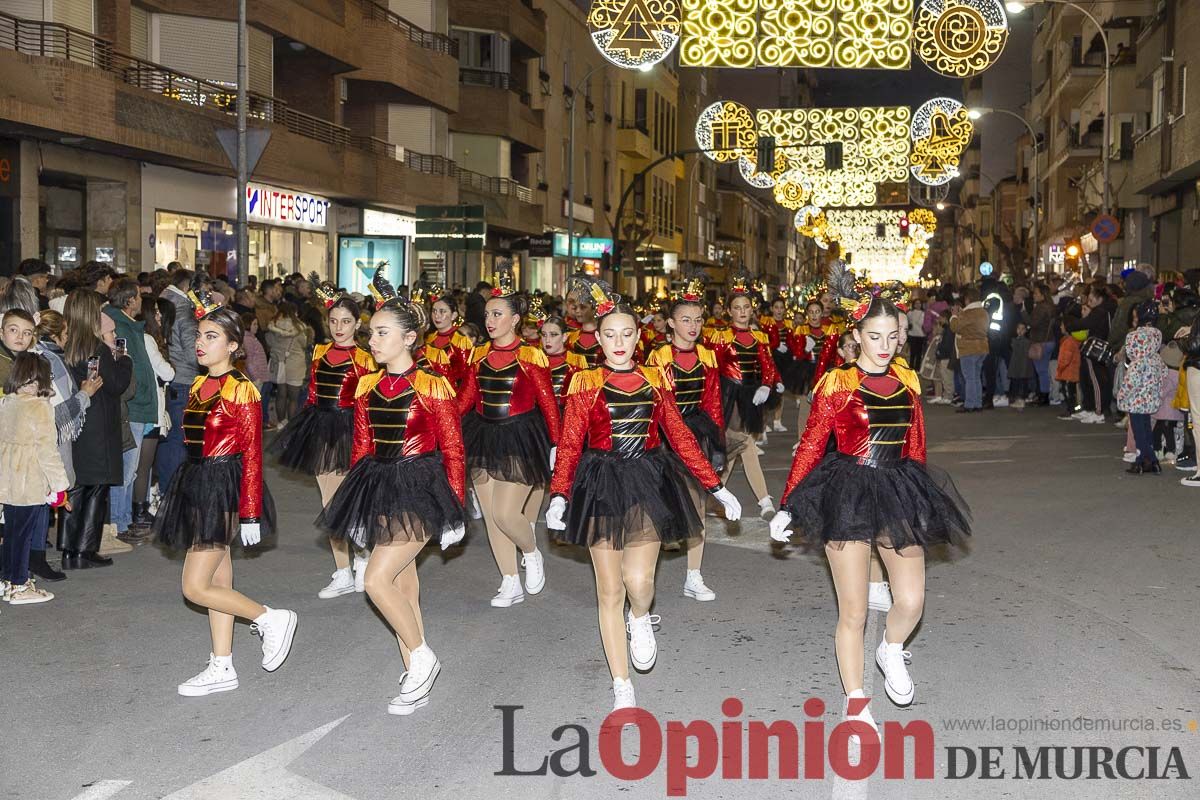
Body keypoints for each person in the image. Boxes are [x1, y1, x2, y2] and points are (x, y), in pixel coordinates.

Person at [770, 267, 971, 733]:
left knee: (912, 599)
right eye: (874, 336)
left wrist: (919, 497)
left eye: (892, 336)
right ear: (856, 336)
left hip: (898, 487)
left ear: (902, 337)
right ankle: (856, 703)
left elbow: (916, 445)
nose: (884, 345)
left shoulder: (907, 381)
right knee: (854, 611)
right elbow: (811, 445)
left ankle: (892, 648)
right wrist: (788, 504)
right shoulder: (837, 384)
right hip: (846, 491)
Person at [546, 285, 741, 711]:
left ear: (639, 336)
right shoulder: (584, 382)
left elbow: (681, 437)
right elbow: (571, 439)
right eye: (609, 335)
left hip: (648, 480)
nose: (618, 343)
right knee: (608, 591)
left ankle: (640, 617)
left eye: (626, 334)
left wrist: (715, 485)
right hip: (598, 483)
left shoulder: (656, 379)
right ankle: (622, 685)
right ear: (598, 339)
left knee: (639, 582)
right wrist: (559, 494)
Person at [316, 267, 465, 715]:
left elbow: (455, 449)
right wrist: (357, 506)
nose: (372, 340)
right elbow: (362, 448)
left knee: (374, 579)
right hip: (379, 484)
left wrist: (455, 511)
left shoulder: (432, 385)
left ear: (409, 339)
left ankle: (422, 656)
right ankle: (415, 677)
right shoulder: (365, 385)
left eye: (382, 332)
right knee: (403, 582)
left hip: (421, 486)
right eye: (372, 332)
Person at [152, 278, 293, 697]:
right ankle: (222, 665)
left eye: (211, 337)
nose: (201, 343)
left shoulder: (242, 391)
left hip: (225, 483)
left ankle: (269, 618)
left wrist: (249, 511)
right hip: (196, 480)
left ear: (233, 345)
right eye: (199, 335)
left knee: (194, 586)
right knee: (220, 581)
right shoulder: (198, 384)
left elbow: (252, 454)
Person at [456, 269, 560, 607]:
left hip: (520, 436)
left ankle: (530, 552)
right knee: (489, 514)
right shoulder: (479, 355)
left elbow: (548, 403)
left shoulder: (530, 356)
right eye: (487, 314)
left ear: (515, 319)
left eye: (497, 314)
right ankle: (509, 580)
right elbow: (466, 400)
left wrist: (558, 444)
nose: (489, 320)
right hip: (484, 434)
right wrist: (438, 419)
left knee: (505, 513)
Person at [272, 282, 377, 598]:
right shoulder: (319, 352)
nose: (339, 327)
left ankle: (363, 557)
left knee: (351, 500)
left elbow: (368, 403)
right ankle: (343, 569)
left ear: (358, 324)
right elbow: (314, 392)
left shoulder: (366, 359)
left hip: (352, 430)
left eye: (346, 321)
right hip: (321, 428)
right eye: (334, 321)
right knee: (328, 503)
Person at [645, 275, 728, 602]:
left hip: (698, 432)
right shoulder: (659, 356)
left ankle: (694, 576)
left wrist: (718, 445)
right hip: (664, 437)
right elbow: (654, 403)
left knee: (698, 504)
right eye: (685, 320)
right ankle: (643, 579)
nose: (692, 326)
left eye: (697, 320)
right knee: (658, 507)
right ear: (670, 323)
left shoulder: (707, 356)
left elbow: (713, 402)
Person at [58, 291, 132, 569]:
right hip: (99, 425)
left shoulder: (67, 346)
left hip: (76, 424)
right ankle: (85, 551)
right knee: (96, 488)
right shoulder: (97, 348)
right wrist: (123, 359)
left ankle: (68, 550)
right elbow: (116, 385)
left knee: (76, 487)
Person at [705, 273, 782, 517]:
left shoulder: (760, 337)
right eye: (736, 308)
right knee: (741, 445)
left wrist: (768, 385)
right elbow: (711, 369)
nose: (742, 311)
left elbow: (768, 365)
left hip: (751, 396)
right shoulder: (720, 337)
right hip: (728, 397)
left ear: (752, 309)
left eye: (746, 307)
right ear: (728, 311)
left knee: (737, 448)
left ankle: (717, 497)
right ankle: (762, 501)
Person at [0, 352, 69, 604]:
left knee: (11, 533)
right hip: (28, 483)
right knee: (23, 535)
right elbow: (47, 451)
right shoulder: (40, 408)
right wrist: (60, 485)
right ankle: (20, 584)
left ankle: (8, 580)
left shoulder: (7, 402)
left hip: (7, 483)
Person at [104, 280, 158, 541]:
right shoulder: (119, 327)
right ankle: (118, 524)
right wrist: (138, 395)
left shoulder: (128, 326)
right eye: (138, 295)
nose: (141, 300)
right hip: (132, 408)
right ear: (129, 300)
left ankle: (122, 521)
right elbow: (125, 367)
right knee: (125, 471)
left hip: (138, 406)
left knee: (131, 470)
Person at [158, 267, 200, 487]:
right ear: (189, 287)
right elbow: (194, 354)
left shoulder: (164, 302)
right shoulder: (184, 311)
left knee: (167, 436)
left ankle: (165, 486)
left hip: (168, 376)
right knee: (178, 438)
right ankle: (174, 489)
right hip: (183, 379)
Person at [1117, 306, 1167, 475]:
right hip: (1150, 400)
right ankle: (1150, 462)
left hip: (1136, 402)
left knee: (1139, 432)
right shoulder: (1156, 358)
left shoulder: (1137, 363)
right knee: (1146, 429)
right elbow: (1164, 374)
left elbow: (1130, 384)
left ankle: (1146, 460)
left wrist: (1121, 397)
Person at [420, 284, 474, 390]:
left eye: (442, 311)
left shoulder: (461, 341)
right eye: (434, 311)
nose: (437, 315)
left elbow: (466, 376)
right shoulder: (429, 338)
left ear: (454, 315)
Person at [266, 301, 309, 428]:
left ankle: (281, 423)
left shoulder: (272, 325)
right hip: (294, 364)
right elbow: (304, 343)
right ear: (294, 312)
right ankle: (291, 425)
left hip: (279, 364)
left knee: (281, 394)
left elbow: (269, 343)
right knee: (294, 398)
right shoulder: (299, 327)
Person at [950, 287, 988, 413]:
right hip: (982, 347)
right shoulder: (983, 312)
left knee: (970, 378)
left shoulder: (968, 313)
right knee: (976, 377)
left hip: (969, 348)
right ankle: (977, 403)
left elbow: (955, 327)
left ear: (968, 299)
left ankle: (970, 404)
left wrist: (954, 315)